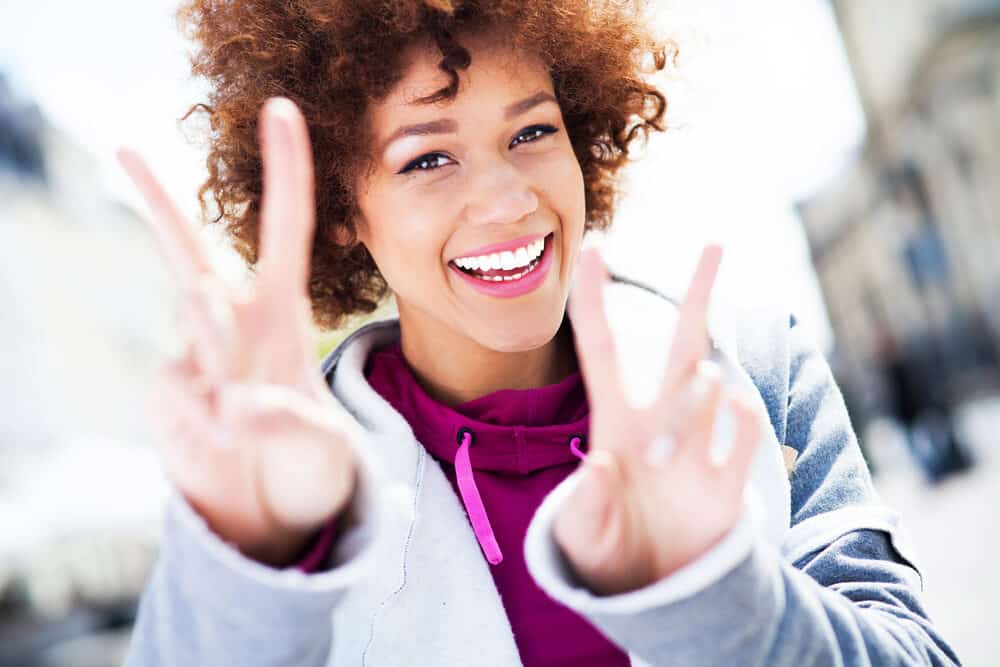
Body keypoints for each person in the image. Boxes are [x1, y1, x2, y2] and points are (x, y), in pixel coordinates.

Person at [121, 1, 960, 665]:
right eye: (426, 159)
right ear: (343, 209)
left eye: (531, 133)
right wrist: (258, 569)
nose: (510, 200)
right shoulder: (290, 484)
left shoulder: (759, 373)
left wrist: (715, 591)